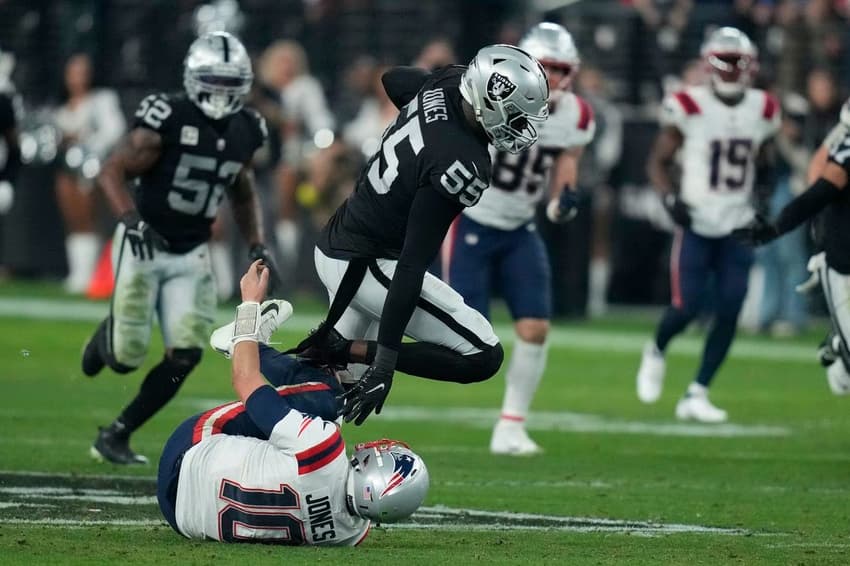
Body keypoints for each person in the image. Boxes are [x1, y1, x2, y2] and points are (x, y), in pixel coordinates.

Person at [289, 44, 550, 426]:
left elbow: (393, 78)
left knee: (328, 397)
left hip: (345, 241)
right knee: (481, 355)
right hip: (365, 262)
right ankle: (342, 349)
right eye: (515, 114)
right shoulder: (463, 161)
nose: (521, 126)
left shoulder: (447, 83)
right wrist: (385, 364)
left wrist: (421, 124)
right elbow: (411, 264)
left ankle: (265, 457)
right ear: (489, 102)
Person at [81, 31, 278, 465]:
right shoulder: (166, 115)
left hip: (192, 250)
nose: (223, 92)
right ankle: (106, 341)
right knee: (125, 357)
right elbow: (111, 171)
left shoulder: (249, 127)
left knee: (186, 354)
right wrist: (131, 221)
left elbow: (241, 188)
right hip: (144, 241)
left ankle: (117, 433)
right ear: (193, 78)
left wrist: (256, 240)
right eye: (214, 80)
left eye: (232, 83)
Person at [158, 259, 429, 545]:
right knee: (313, 426)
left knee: (328, 399)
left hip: (187, 452)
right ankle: (255, 346)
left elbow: (244, 380)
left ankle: (241, 340)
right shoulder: (349, 535)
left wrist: (249, 304)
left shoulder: (322, 445)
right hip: (181, 516)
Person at [441, 24, 595, 455]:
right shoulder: (493, 94)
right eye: (547, 67)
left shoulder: (576, 115)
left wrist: (561, 203)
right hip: (471, 219)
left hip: (520, 226)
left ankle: (510, 426)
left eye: (563, 69)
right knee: (465, 339)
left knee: (535, 327)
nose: (556, 77)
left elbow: (565, 166)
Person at [635, 27, 780, 422]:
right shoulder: (687, 104)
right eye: (726, 61)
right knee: (686, 306)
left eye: (738, 62)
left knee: (731, 308)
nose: (732, 69)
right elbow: (657, 161)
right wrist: (670, 198)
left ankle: (697, 391)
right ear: (709, 62)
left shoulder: (763, 108)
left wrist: (764, 194)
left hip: (737, 223)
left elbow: (766, 160)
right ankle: (658, 348)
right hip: (698, 221)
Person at [734, 96, 850, 396]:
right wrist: (776, 227)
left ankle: (840, 345)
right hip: (844, 261)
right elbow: (818, 190)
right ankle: (841, 346)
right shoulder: (845, 150)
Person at [53, 53, 126, 293]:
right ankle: (78, 274)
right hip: (68, 168)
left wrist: (87, 144)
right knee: (74, 219)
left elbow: (115, 130)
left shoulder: (103, 99)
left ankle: (94, 275)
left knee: (90, 218)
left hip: (96, 167)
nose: (78, 78)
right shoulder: (62, 108)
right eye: (73, 72)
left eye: (83, 72)